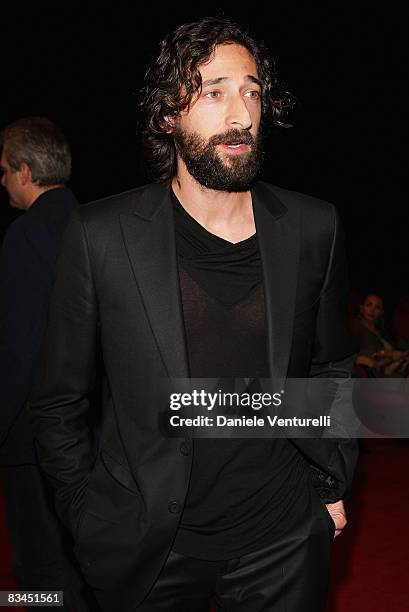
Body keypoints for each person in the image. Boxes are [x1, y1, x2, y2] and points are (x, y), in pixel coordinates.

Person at [29, 18, 358, 612]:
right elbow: (59, 401)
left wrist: (330, 477)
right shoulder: (102, 235)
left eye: (252, 91)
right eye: (214, 91)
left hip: (283, 537)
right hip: (150, 546)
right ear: (167, 115)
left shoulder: (313, 227)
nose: (240, 114)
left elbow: (332, 366)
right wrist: (87, 512)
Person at [0, 117, 92, 610]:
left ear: (26, 170)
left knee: (37, 568)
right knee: (80, 560)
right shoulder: (94, 224)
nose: (2, 182)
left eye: (4, 170)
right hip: (87, 434)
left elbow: (18, 348)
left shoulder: (25, 235)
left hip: (30, 435)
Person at [351, 293, 409, 376]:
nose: (372, 310)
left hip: (393, 366)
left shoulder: (383, 331)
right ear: (362, 308)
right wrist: (389, 354)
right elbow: (353, 354)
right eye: (369, 305)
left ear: (381, 312)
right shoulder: (355, 326)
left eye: (377, 307)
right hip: (376, 371)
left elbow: (398, 346)